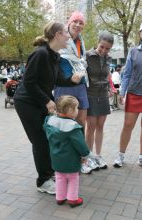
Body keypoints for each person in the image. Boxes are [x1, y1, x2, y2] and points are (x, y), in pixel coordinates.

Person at [14, 21, 78, 195]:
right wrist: (46, 101)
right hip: (27, 102)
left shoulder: (55, 56)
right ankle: (43, 181)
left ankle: (48, 174)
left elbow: (58, 80)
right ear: (57, 34)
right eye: (66, 32)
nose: (68, 36)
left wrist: (73, 79)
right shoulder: (40, 54)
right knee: (40, 141)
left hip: (40, 101)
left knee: (48, 138)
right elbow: (29, 82)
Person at [54, 11, 96, 174]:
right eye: (75, 21)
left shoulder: (81, 41)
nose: (78, 25)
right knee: (62, 124)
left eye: (81, 22)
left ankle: (81, 159)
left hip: (80, 85)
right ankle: (62, 161)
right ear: (69, 23)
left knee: (81, 123)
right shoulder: (61, 39)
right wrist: (69, 77)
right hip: (64, 86)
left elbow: (80, 61)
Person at [43, 95, 95, 207]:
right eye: (77, 108)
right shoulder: (73, 127)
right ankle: (72, 199)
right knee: (73, 178)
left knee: (60, 177)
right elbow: (81, 145)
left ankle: (60, 198)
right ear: (70, 110)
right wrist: (86, 155)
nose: (78, 110)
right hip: (71, 159)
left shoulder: (50, 122)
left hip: (56, 158)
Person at [113, 24, 142, 167]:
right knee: (128, 125)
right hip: (134, 93)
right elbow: (127, 74)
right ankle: (121, 155)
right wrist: (122, 92)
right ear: (140, 33)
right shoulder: (133, 51)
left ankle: (141, 156)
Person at [85, 32, 114, 169]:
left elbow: (107, 75)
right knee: (90, 127)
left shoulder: (109, 59)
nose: (104, 50)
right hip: (90, 94)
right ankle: (88, 156)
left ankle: (98, 156)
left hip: (102, 95)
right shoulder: (87, 56)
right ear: (98, 43)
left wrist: (109, 88)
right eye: (102, 47)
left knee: (100, 126)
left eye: (107, 48)